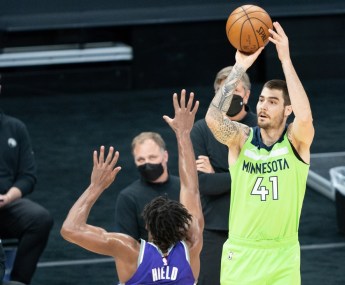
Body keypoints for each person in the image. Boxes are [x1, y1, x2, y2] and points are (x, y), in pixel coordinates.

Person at [205, 21, 315, 284]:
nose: (263, 106)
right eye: (262, 99)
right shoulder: (242, 139)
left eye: (273, 101)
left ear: (287, 110)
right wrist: (239, 67)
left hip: (283, 253)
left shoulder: (296, 143)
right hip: (243, 252)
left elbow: (306, 116)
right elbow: (212, 118)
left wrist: (285, 60)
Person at [61, 90, 204, 285]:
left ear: (146, 226)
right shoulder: (192, 246)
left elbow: (70, 229)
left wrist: (96, 186)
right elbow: (190, 188)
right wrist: (184, 133)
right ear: (183, 225)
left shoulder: (129, 250)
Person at [190, 66, 257, 285]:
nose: (229, 96)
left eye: (235, 89)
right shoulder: (201, 130)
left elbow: (262, 178)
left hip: (254, 228)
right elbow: (203, 183)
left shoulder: (261, 129)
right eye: (223, 92)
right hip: (213, 230)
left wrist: (218, 173)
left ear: (246, 94)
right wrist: (242, 174)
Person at [0, 82, 54, 285]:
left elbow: (28, 176)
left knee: (40, 218)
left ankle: (19, 282)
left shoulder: (15, 128)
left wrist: (7, 197)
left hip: (6, 202)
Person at [115, 131, 180, 240]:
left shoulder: (185, 188)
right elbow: (125, 246)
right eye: (141, 159)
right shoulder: (128, 197)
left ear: (165, 156)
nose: (147, 163)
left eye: (152, 157)